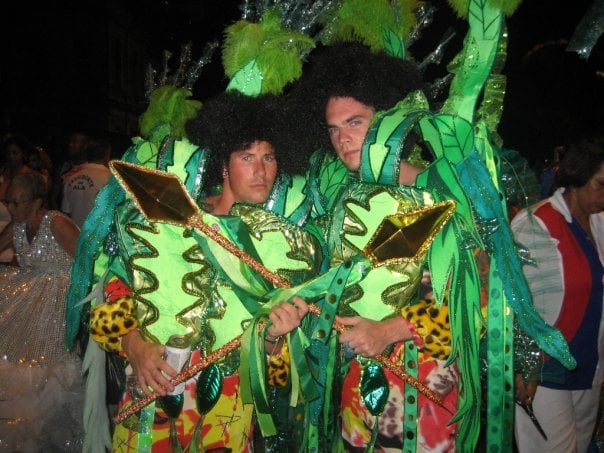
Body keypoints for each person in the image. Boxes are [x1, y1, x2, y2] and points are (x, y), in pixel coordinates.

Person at [81, 91, 320, 452]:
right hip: (154, 392)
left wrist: (273, 338)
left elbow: (273, 365)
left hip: (228, 412)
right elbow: (113, 292)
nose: (261, 170)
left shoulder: (280, 243)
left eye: (269, 157)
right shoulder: (172, 219)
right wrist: (133, 345)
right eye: (247, 157)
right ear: (224, 166)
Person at [512, 136, 604, 452]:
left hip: (587, 361)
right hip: (544, 366)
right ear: (578, 177)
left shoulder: (600, 221)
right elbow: (516, 300)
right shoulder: (536, 223)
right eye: (600, 184)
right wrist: (525, 364)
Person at [0, 171, 82, 451]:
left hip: (56, 307)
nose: (11, 208)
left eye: (16, 202)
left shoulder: (57, 223)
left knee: (48, 372)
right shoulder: (17, 226)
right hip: (26, 309)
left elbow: (87, 261)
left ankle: (45, 432)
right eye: (7, 201)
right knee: (17, 368)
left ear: (37, 201)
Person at [61, 136, 111, 228]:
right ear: (107, 155)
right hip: (97, 238)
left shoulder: (71, 176)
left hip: (75, 236)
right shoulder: (110, 177)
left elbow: (65, 212)